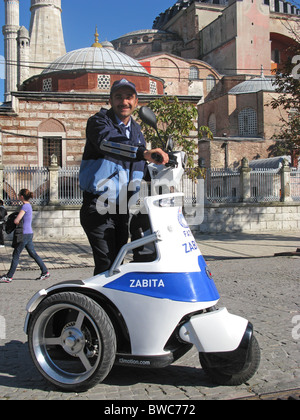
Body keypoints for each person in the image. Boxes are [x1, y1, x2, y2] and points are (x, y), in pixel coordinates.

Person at [79, 78, 168, 275]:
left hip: (122, 208)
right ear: (110, 100)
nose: (124, 102)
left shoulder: (136, 130)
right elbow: (110, 143)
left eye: (129, 97)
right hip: (98, 206)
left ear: (136, 102)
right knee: (107, 266)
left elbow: (139, 168)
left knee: (120, 264)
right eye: (118, 97)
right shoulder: (98, 122)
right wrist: (144, 153)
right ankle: (96, 305)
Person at [0, 189, 50, 283]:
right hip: (29, 233)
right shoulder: (29, 206)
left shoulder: (24, 207)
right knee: (32, 253)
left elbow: (16, 220)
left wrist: (15, 219)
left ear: (22, 196)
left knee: (16, 254)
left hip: (24, 234)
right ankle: (45, 272)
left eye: (19, 195)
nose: (18, 196)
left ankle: (9, 276)